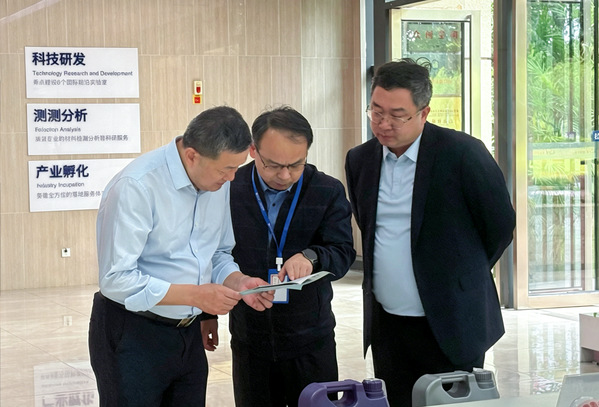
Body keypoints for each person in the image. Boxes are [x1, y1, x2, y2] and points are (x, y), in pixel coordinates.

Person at [345, 59, 516, 407]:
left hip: (451, 322)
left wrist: (462, 274)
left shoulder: (462, 154)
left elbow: (499, 226)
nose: (383, 124)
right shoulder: (360, 159)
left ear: (423, 113)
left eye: (397, 115)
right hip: (389, 325)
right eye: (376, 111)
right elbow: (368, 226)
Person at [88, 106, 274, 407]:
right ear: (191, 156)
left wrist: (238, 281)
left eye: (237, 168)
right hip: (133, 334)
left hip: (187, 334)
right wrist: (197, 296)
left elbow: (217, 253)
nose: (232, 178)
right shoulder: (136, 186)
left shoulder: (217, 182)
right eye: (226, 169)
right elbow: (116, 279)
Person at [226, 106, 356, 407]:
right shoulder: (231, 187)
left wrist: (311, 257)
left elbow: (342, 251)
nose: (284, 175)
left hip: (309, 337)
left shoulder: (326, 190)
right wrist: (206, 316)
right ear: (253, 150)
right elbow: (214, 252)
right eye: (273, 165)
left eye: (296, 165)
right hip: (250, 335)